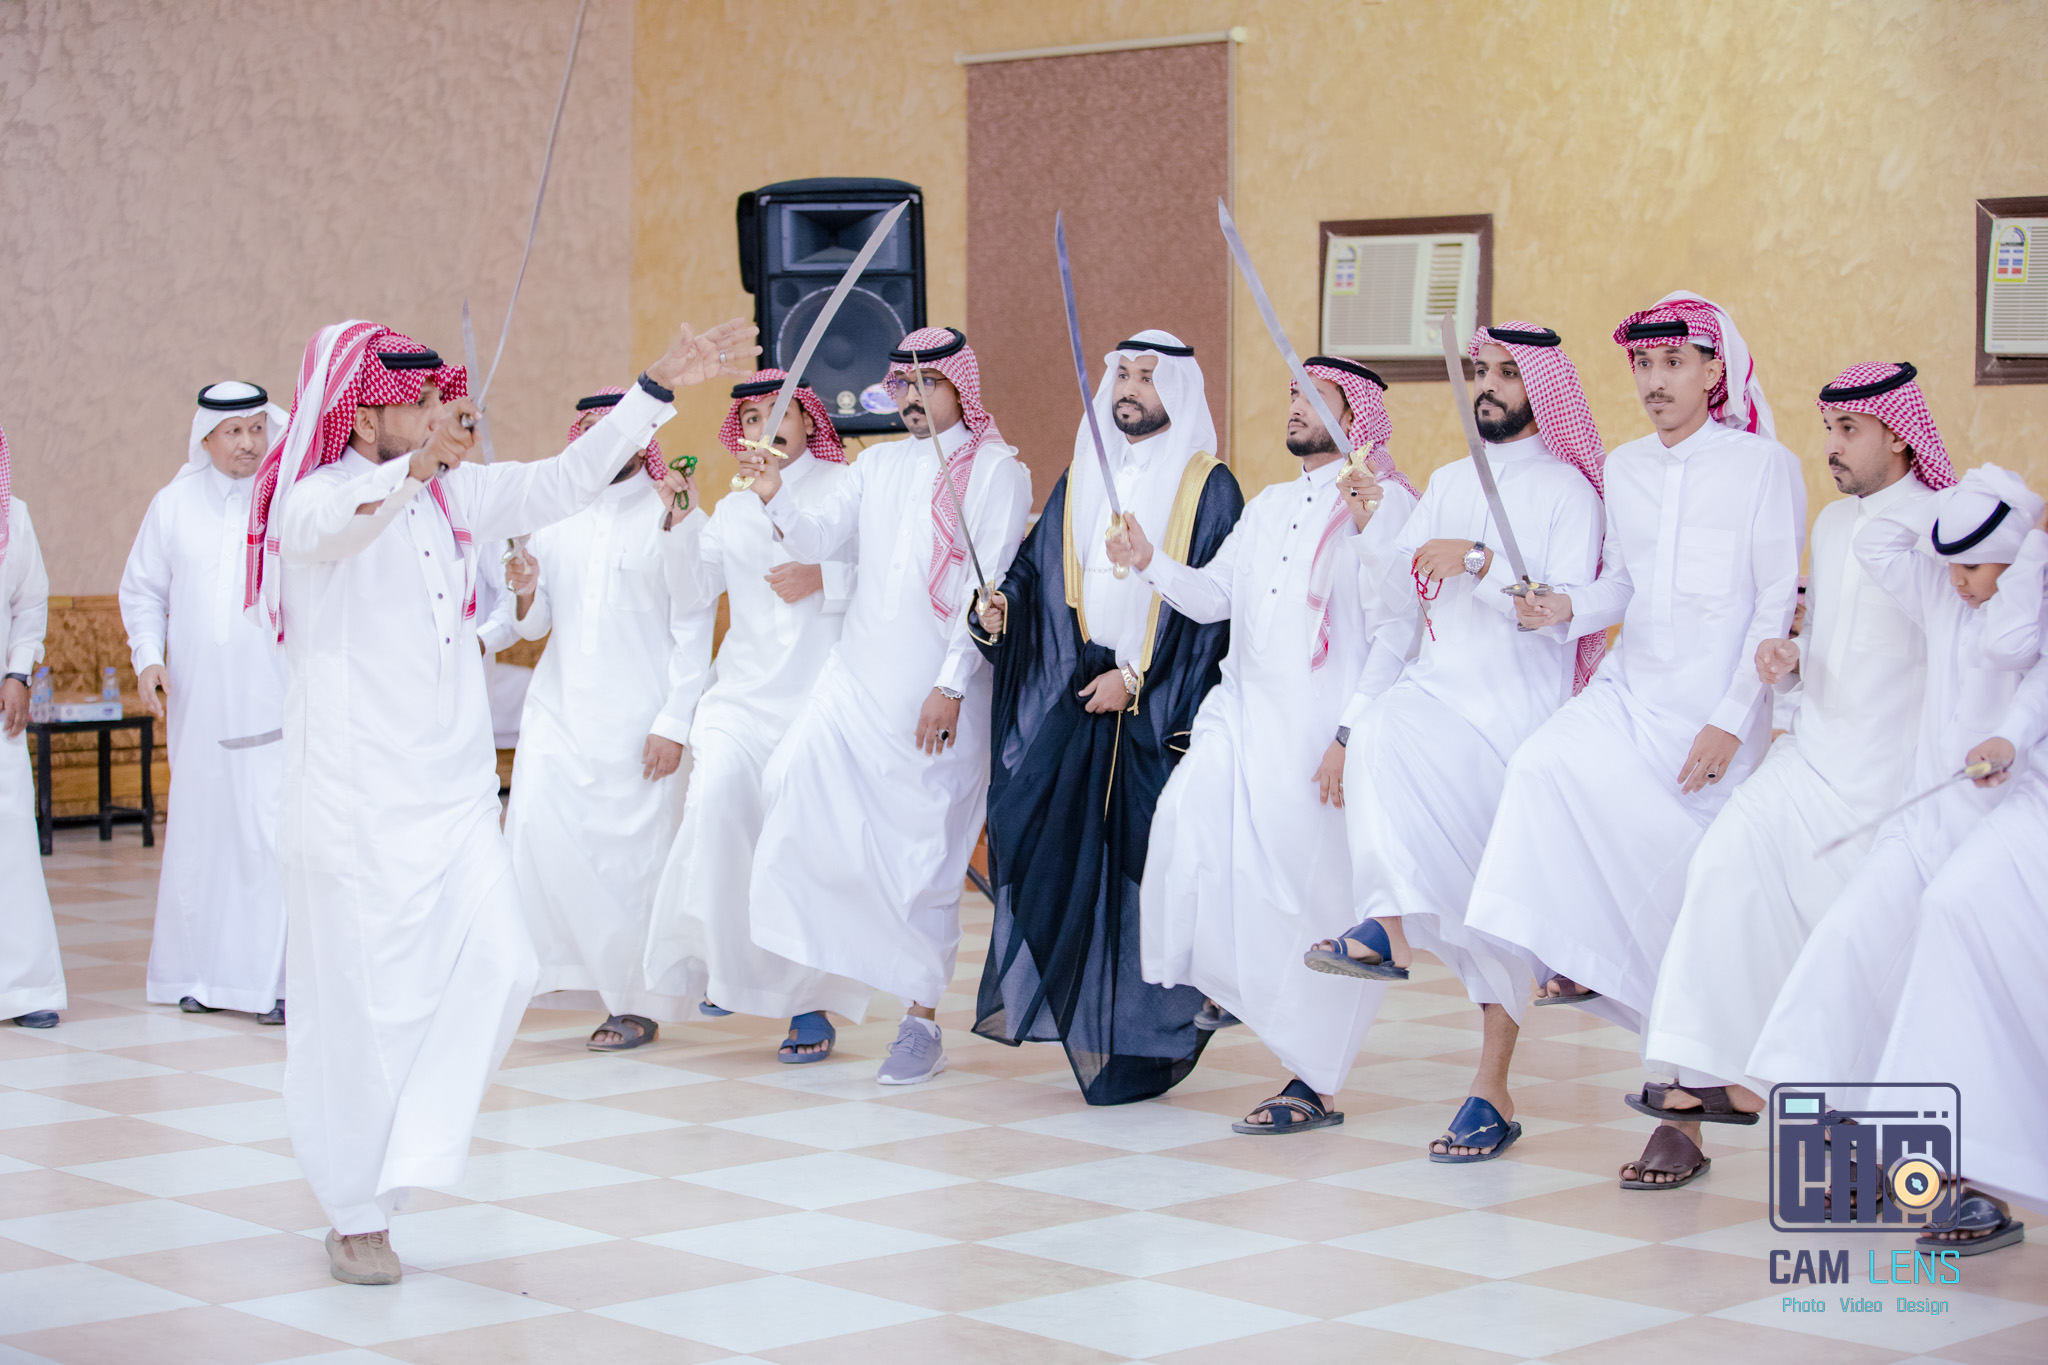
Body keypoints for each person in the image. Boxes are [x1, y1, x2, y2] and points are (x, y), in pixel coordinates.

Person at [247, 315, 753, 1285]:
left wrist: (654, 387)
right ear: (364, 417)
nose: (441, 413)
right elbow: (340, 524)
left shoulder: (455, 495)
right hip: (352, 809)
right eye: (420, 404)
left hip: (452, 799)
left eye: (440, 399)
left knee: (504, 960)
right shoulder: (311, 501)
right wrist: (416, 470)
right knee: (359, 1008)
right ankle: (355, 1208)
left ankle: (410, 1154)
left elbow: (561, 481)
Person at [1465, 292, 1804, 1193]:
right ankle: (1568, 957)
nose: (1654, 382)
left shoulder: (1765, 466)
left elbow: (1776, 600)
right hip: (1631, 692)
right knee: (1541, 766)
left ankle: (1680, 1111)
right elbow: (1622, 585)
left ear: (1713, 371)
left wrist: (1732, 716)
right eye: (1643, 365)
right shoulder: (1624, 466)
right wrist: (1565, 606)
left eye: (1672, 364)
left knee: (1688, 904)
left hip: (1716, 718)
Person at [1303, 323, 1605, 1160]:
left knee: (1492, 914)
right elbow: (1398, 598)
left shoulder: (1570, 493)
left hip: (1511, 719)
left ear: (1542, 387)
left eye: (1509, 373)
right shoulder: (1444, 479)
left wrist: (1476, 558)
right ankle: (1384, 925)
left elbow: (1558, 613)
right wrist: (1375, 525)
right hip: (1435, 697)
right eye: (1482, 372)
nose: (1490, 386)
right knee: (1377, 727)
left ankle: (1491, 1086)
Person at [1639, 363, 1950, 1146]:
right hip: (1811, 758)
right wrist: (1793, 660)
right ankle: (1708, 1067)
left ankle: (1875, 1132)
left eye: (1850, 431)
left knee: (1856, 952)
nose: (1832, 446)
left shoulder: (1941, 526)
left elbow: (1949, 654)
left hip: (1890, 779)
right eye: (1828, 430)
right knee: (1722, 861)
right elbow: (1841, 644)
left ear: (1899, 436)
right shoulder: (1834, 525)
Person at [1118, 356, 1419, 1135]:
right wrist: (1149, 562)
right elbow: (1216, 595)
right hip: (1242, 710)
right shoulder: (1267, 505)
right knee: (1186, 818)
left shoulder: (1385, 505)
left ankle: (1313, 1080)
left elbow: (1400, 629)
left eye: (1314, 397)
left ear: (1354, 416)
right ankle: (1220, 983)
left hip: (1323, 731)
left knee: (1311, 901)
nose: (1294, 407)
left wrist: (1350, 733)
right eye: (1291, 393)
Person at [736, 327, 1030, 1086]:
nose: (909, 398)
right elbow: (818, 538)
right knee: (789, 779)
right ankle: (809, 966)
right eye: (901, 384)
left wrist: (952, 684)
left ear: (960, 388)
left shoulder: (997, 472)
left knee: (926, 864)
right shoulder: (875, 466)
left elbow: (987, 587)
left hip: (941, 697)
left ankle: (920, 1020)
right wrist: (774, 494)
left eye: (927, 384)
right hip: (855, 682)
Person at [969, 331, 1242, 1104]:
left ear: (1176, 389)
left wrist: (1140, 677)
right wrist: (1003, 604)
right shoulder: (1086, 467)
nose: (1130, 388)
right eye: (1122, 374)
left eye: (1147, 377)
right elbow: (1037, 567)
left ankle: (1150, 1040)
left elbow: (1215, 612)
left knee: (1141, 872)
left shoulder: (1208, 485)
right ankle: (1094, 1024)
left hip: (1155, 706)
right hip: (1086, 686)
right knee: (1037, 838)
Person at [1749, 466, 2044, 1092]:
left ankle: (1942, 1122)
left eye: (1973, 565)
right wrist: (1956, 502)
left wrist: (2031, 544)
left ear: (2014, 561)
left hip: (1993, 831)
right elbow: (1876, 542)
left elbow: (2009, 647)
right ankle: (1812, 1089)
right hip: (1921, 823)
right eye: (1950, 562)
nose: (1956, 579)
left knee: (1949, 954)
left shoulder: (2027, 618)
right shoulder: (1943, 596)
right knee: (1848, 934)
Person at [641, 372, 870, 1062]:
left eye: (777, 412)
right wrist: (680, 521)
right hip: (739, 698)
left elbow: (888, 576)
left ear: (808, 421)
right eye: (750, 417)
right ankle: (728, 965)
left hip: (815, 698)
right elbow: (692, 590)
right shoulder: (734, 508)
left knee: (797, 843)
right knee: (714, 805)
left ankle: (807, 1004)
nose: (763, 426)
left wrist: (823, 577)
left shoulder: (845, 488)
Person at [501, 388, 713, 1051]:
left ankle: (636, 1003)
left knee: (632, 867)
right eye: (593, 429)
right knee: (535, 834)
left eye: (615, 428)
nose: (604, 440)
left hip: (640, 722)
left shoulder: (673, 513)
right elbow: (533, 625)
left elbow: (694, 620)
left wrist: (674, 721)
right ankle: (542, 976)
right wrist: (525, 588)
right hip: (559, 713)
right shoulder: (557, 516)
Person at [1876, 510, 2047, 1258]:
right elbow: (2029, 659)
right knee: (1952, 904)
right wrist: (2012, 735)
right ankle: (1962, 1164)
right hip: (2037, 797)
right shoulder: (2032, 563)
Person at [120, 382, 292, 1022]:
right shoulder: (173, 506)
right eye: (234, 432)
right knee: (204, 835)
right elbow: (142, 590)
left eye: (257, 429)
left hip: (274, 700)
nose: (249, 444)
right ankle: (198, 975)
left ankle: (278, 983)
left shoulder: (288, 498)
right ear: (207, 437)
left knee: (270, 832)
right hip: (199, 705)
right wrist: (149, 657)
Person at [1, 422, 63, 1029]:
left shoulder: (11, 517)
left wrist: (18, 672)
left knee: (10, 835)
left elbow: (29, 602)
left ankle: (23, 988)